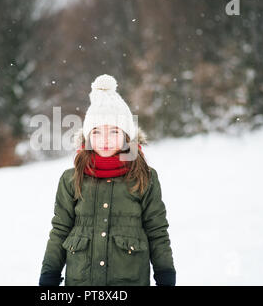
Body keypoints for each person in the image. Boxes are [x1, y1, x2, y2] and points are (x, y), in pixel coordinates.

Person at [39, 74, 176, 286]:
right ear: (87, 136)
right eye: (96, 132)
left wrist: (166, 275)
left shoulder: (144, 177)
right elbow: (60, 230)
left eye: (113, 131)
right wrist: (49, 275)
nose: (104, 140)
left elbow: (156, 230)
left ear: (126, 136)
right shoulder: (71, 178)